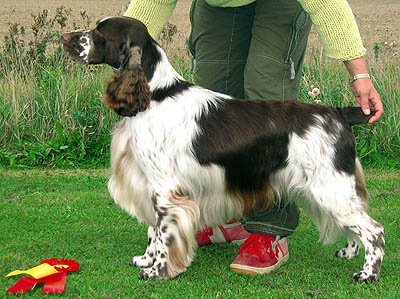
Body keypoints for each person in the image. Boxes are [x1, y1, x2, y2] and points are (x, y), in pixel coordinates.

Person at [122, 0, 384, 275]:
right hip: (217, 6)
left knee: (266, 92)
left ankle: (269, 231)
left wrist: (360, 74)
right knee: (213, 116)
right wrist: (121, 40)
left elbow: (327, 5)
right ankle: (225, 218)